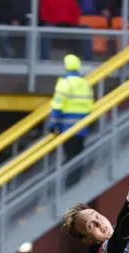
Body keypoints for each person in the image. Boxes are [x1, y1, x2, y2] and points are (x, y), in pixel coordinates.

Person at [48, 54, 94, 186]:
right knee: (77, 157)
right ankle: (76, 183)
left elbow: (57, 106)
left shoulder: (64, 84)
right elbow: (90, 105)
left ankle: (68, 186)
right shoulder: (85, 84)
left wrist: (52, 124)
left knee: (68, 157)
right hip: (82, 128)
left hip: (67, 128)